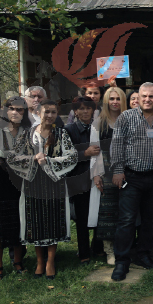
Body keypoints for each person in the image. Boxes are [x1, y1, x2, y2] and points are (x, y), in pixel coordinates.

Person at [7, 99, 79, 280]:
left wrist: (50, 161)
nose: (49, 115)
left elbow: (72, 157)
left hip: (54, 183)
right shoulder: (27, 134)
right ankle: (40, 261)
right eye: (46, 112)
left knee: (53, 220)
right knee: (36, 221)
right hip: (32, 182)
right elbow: (13, 157)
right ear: (39, 113)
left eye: (53, 112)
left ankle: (50, 261)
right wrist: (32, 159)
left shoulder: (61, 134)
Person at [109, 83, 153, 281]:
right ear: (138, 97)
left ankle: (143, 254)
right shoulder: (126, 117)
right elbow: (117, 144)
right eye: (144, 96)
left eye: (151, 96)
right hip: (131, 177)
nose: (147, 99)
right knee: (126, 220)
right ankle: (122, 261)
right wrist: (118, 170)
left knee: (151, 220)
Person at [0, 97, 30, 279]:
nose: (16, 112)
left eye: (20, 110)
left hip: (19, 179)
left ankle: (18, 262)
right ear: (6, 111)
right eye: (12, 109)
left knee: (18, 219)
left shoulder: (27, 131)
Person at [90, 86, 126, 265]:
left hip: (127, 171)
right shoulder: (99, 122)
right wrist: (96, 175)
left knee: (125, 209)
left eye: (118, 98)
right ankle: (109, 250)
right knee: (107, 211)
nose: (114, 102)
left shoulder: (129, 119)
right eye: (111, 99)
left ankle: (124, 247)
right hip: (105, 171)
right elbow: (95, 152)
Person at [64, 97, 102, 265]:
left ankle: (98, 246)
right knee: (82, 217)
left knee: (99, 213)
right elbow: (64, 157)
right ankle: (84, 251)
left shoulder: (98, 127)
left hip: (98, 177)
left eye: (89, 108)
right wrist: (84, 154)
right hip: (79, 179)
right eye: (81, 108)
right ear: (76, 112)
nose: (85, 111)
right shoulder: (69, 130)